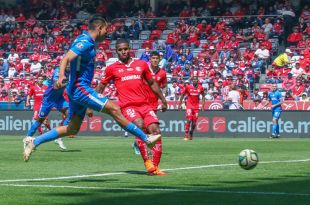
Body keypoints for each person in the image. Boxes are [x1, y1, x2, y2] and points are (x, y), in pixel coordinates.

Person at [23, 15, 161, 162]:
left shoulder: (85, 39)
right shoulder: (86, 42)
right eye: (106, 29)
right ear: (100, 28)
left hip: (76, 88)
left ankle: (34, 141)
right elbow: (66, 58)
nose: (107, 33)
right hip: (79, 88)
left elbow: (72, 59)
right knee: (114, 109)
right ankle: (146, 138)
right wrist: (61, 75)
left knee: (72, 129)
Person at [98, 40, 168, 175]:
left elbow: (152, 83)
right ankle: (147, 162)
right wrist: (91, 104)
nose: (123, 52)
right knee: (139, 125)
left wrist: (163, 100)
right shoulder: (112, 68)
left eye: (125, 49)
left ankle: (156, 167)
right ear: (116, 51)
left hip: (145, 105)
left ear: (129, 49)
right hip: (128, 106)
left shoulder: (141, 65)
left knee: (156, 131)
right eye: (120, 50)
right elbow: (101, 86)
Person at [25, 66, 70, 150]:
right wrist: (69, 83)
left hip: (59, 99)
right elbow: (56, 86)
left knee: (70, 114)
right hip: (48, 99)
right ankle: (28, 138)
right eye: (69, 63)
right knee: (40, 121)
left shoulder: (71, 71)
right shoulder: (58, 70)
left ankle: (58, 137)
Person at [178, 76, 205, 140]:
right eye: (194, 80)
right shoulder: (188, 87)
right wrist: (180, 104)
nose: (195, 81)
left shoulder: (200, 88)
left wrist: (203, 105)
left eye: (196, 80)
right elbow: (182, 94)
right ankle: (186, 134)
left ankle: (191, 132)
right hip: (189, 106)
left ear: (197, 81)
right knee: (189, 119)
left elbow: (203, 96)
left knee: (194, 123)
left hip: (196, 107)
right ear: (192, 81)